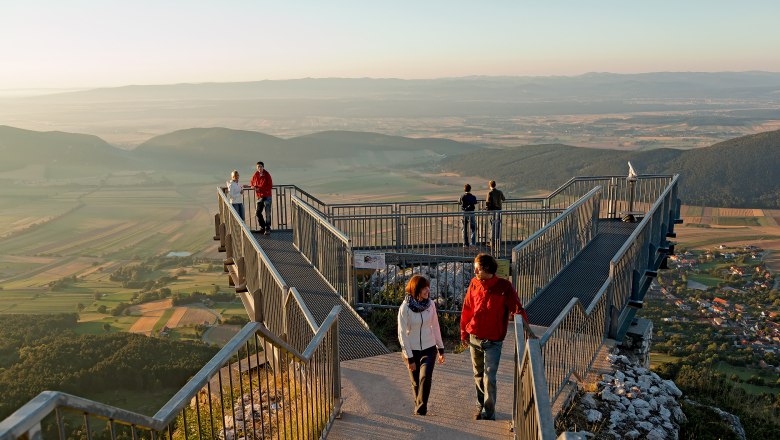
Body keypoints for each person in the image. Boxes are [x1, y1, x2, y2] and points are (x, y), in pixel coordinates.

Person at [460, 253, 529, 421]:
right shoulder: (474, 283)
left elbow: (517, 308)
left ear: (486, 269)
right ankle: (480, 404)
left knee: (489, 378)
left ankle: (488, 413)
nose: (474, 270)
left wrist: (526, 332)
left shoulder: (504, 287)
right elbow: (467, 308)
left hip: (493, 341)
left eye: (476, 267)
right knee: (478, 374)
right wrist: (464, 331)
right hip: (474, 336)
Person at [398, 275, 446, 416]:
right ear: (416, 290)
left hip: (429, 348)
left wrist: (440, 348)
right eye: (424, 288)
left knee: (425, 377)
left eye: (428, 287)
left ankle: (421, 411)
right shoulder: (405, 308)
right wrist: (410, 358)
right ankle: (419, 407)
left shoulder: (430, 305)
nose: (427, 290)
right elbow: (402, 334)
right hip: (411, 350)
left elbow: (435, 326)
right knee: (416, 383)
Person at [250, 161, 273, 235]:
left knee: (267, 213)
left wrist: (259, 189)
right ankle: (263, 227)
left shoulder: (267, 174)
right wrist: (253, 186)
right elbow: (252, 182)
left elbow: (270, 186)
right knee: (258, 212)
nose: (259, 168)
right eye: (258, 167)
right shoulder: (256, 174)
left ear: (263, 167)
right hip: (260, 196)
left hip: (267, 196)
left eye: (260, 166)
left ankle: (267, 229)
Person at [486, 180, 506, 249]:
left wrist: (487, 209)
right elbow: (504, 199)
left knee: (492, 227)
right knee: (498, 227)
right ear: (495, 185)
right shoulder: (499, 192)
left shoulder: (490, 193)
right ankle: (498, 243)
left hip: (492, 211)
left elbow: (488, 202)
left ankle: (492, 243)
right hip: (499, 211)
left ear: (490, 185)